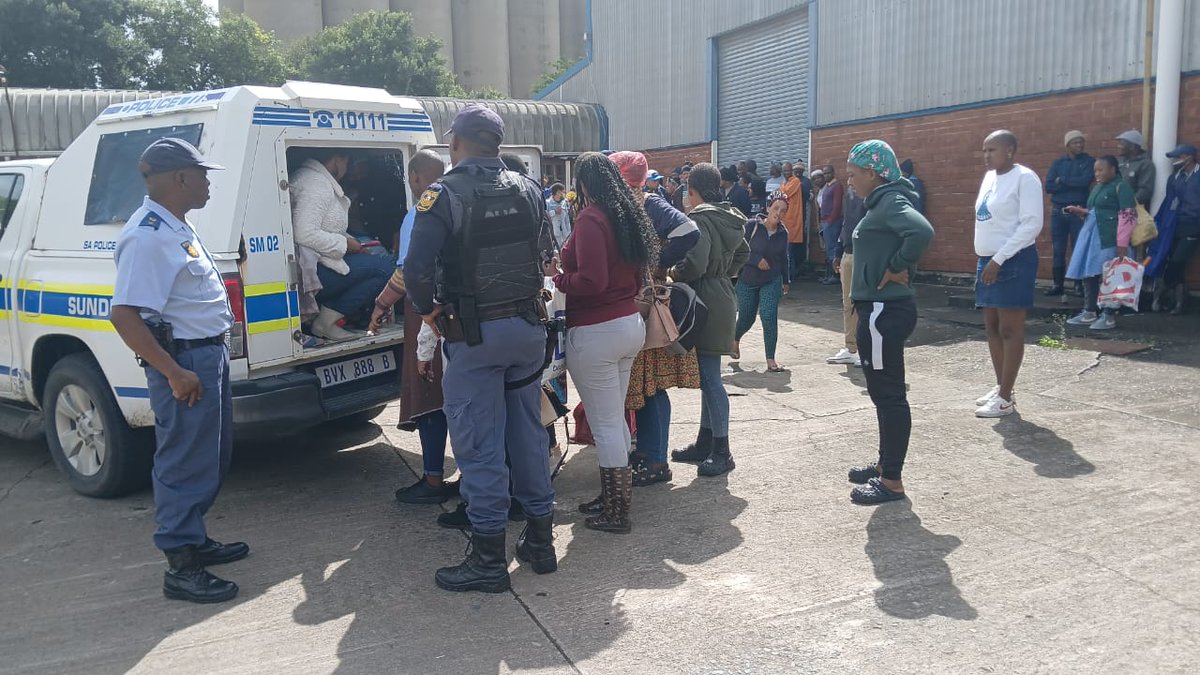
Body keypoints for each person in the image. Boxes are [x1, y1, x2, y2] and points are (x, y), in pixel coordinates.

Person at [403, 105, 557, 592]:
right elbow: (547, 252)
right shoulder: (530, 188)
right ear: (497, 143)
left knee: (479, 444)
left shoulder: (442, 194)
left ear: (456, 144)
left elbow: (417, 269)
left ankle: (488, 559)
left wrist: (429, 311)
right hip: (529, 330)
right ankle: (540, 541)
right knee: (527, 434)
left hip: (475, 336)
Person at [109, 138, 246, 603]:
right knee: (184, 461)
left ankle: (194, 537)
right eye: (203, 174)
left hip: (206, 356)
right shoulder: (148, 235)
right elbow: (125, 315)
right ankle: (181, 563)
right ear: (181, 178)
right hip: (185, 362)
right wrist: (173, 372)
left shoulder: (175, 226)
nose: (208, 182)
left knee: (211, 454)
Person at [551, 152, 657, 533]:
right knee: (615, 421)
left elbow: (591, 281)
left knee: (607, 423)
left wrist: (558, 278)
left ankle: (617, 511)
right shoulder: (625, 213)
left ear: (583, 183)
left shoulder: (592, 218)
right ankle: (613, 497)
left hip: (597, 330)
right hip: (627, 324)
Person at [842, 140, 935, 505]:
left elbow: (921, 232)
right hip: (877, 309)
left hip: (883, 311)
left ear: (872, 173)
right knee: (884, 394)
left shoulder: (892, 200)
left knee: (889, 396)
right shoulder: (882, 201)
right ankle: (885, 464)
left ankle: (892, 480)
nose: (849, 180)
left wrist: (898, 266)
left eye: (853, 174)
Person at [366, 150, 458, 505]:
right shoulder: (459, 204)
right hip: (461, 315)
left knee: (429, 396)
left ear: (414, 178)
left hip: (427, 317)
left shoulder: (420, 213)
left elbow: (407, 273)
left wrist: (379, 305)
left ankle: (433, 479)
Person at [608, 151, 701, 488]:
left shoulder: (646, 204)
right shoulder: (640, 202)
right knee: (647, 385)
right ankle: (648, 452)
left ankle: (656, 458)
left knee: (652, 385)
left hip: (644, 304)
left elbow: (689, 231)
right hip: (640, 303)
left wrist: (659, 264)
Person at [668, 163, 749, 477]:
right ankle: (705, 442)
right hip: (723, 295)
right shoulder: (729, 217)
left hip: (704, 298)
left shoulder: (700, 218)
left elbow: (695, 264)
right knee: (707, 373)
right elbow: (743, 253)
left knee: (712, 379)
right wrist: (724, 274)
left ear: (692, 190)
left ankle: (722, 450)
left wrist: (674, 273)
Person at [973, 130, 1044, 418]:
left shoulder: (1025, 178)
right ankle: (1003, 385)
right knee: (991, 326)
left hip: (1012, 261)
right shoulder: (990, 177)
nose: (987, 155)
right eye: (984, 150)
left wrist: (999, 259)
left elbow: (1031, 225)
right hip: (988, 260)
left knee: (1009, 329)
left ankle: (1005, 398)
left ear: (1011, 150)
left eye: (993, 149)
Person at [290, 148, 394, 340]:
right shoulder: (317, 185)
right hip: (314, 271)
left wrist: (352, 243)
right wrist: (346, 245)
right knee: (386, 270)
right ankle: (325, 321)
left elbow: (324, 227)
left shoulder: (308, 178)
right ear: (339, 159)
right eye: (347, 163)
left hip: (317, 264)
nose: (347, 169)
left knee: (371, 262)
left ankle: (325, 318)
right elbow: (304, 233)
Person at [1063, 156, 1137, 330]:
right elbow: (1096, 211)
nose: (1097, 173)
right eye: (1095, 170)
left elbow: (1128, 215)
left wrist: (1122, 243)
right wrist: (1081, 211)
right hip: (1092, 236)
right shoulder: (1098, 187)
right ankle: (1089, 311)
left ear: (1113, 169)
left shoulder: (1121, 186)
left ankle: (1108, 315)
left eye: (1101, 170)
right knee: (1090, 272)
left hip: (1110, 237)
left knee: (1110, 275)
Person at [734, 190, 791, 372]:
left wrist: (786, 280)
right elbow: (738, 249)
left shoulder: (783, 233)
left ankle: (770, 359)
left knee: (768, 315)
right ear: (768, 207)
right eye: (776, 208)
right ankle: (734, 339)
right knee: (746, 317)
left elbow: (784, 258)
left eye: (783, 211)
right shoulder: (752, 226)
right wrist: (756, 259)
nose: (779, 213)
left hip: (771, 279)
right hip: (747, 280)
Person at [1044, 130, 1095, 298]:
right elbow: (1049, 187)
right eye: (1075, 142)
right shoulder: (1058, 163)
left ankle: (1078, 285)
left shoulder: (1089, 161)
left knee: (1078, 247)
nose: (1079, 145)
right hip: (1059, 211)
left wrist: (1062, 180)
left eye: (1081, 142)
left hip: (1078, 210)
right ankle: (1057, 284)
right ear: (1067, 145)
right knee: (1058, 248)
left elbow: (1084, 182)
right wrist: (1067, 183)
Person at [1151, 144, 1200, 314]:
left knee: (1177, 261)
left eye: (1179, 157)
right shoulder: (1174, 178)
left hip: (1194, 225)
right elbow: (1168, 201)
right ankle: (1179, 303)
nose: (1176, 161)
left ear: (1190, 157)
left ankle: (1160, 292)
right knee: (1173, 262)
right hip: (1174, 225)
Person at [828, 182, 866, 366]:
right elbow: (846, 223)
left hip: (866, 254)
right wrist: (837, 252)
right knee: (848, 303)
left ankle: (864, 350)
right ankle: (851, 348)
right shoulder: (851, 192)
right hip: (848, 253)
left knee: (864, 304)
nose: (850, 180)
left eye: (853, 174)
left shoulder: (875, 195)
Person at [818, 164, 845, 285]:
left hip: (832, 222)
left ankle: (835, 275)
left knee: (833, 248)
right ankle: (829, 275)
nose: (826, 175)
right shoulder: (827, 187)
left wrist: (830, 221)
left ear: (833, 173)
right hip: (825, 221)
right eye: (824, 173)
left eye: (828, 173)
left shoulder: (837, 186)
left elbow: (837, 206)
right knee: (828, 248)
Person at [1115, 130, 1156, 209]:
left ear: (1133, 146)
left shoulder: (1145, 164)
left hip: (1132, 211)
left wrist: (1127, 205)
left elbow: (1145, 191)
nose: (1118, 146)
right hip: (1115, 208)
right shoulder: (1118, 161)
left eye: (1122, 144)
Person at [780, 161, 806, 280]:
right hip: (784, 219)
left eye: (788, 170)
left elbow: (784, 194)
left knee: (789, 251)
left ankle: (790, 276)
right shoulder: (784, 182)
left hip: (792, 220)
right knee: (785, 251)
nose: (787, 173)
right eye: (784, 171)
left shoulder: (795, 181)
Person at [546, 182, 572, 248]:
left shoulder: (565, 202)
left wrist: (569, 232)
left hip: (565, 234)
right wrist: (555, 212)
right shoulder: (548, 203)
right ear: (555, 192)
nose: (562, 195)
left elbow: (568, 218)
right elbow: (546, 217)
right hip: (554, 235)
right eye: (560, 193)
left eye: (563, 193)